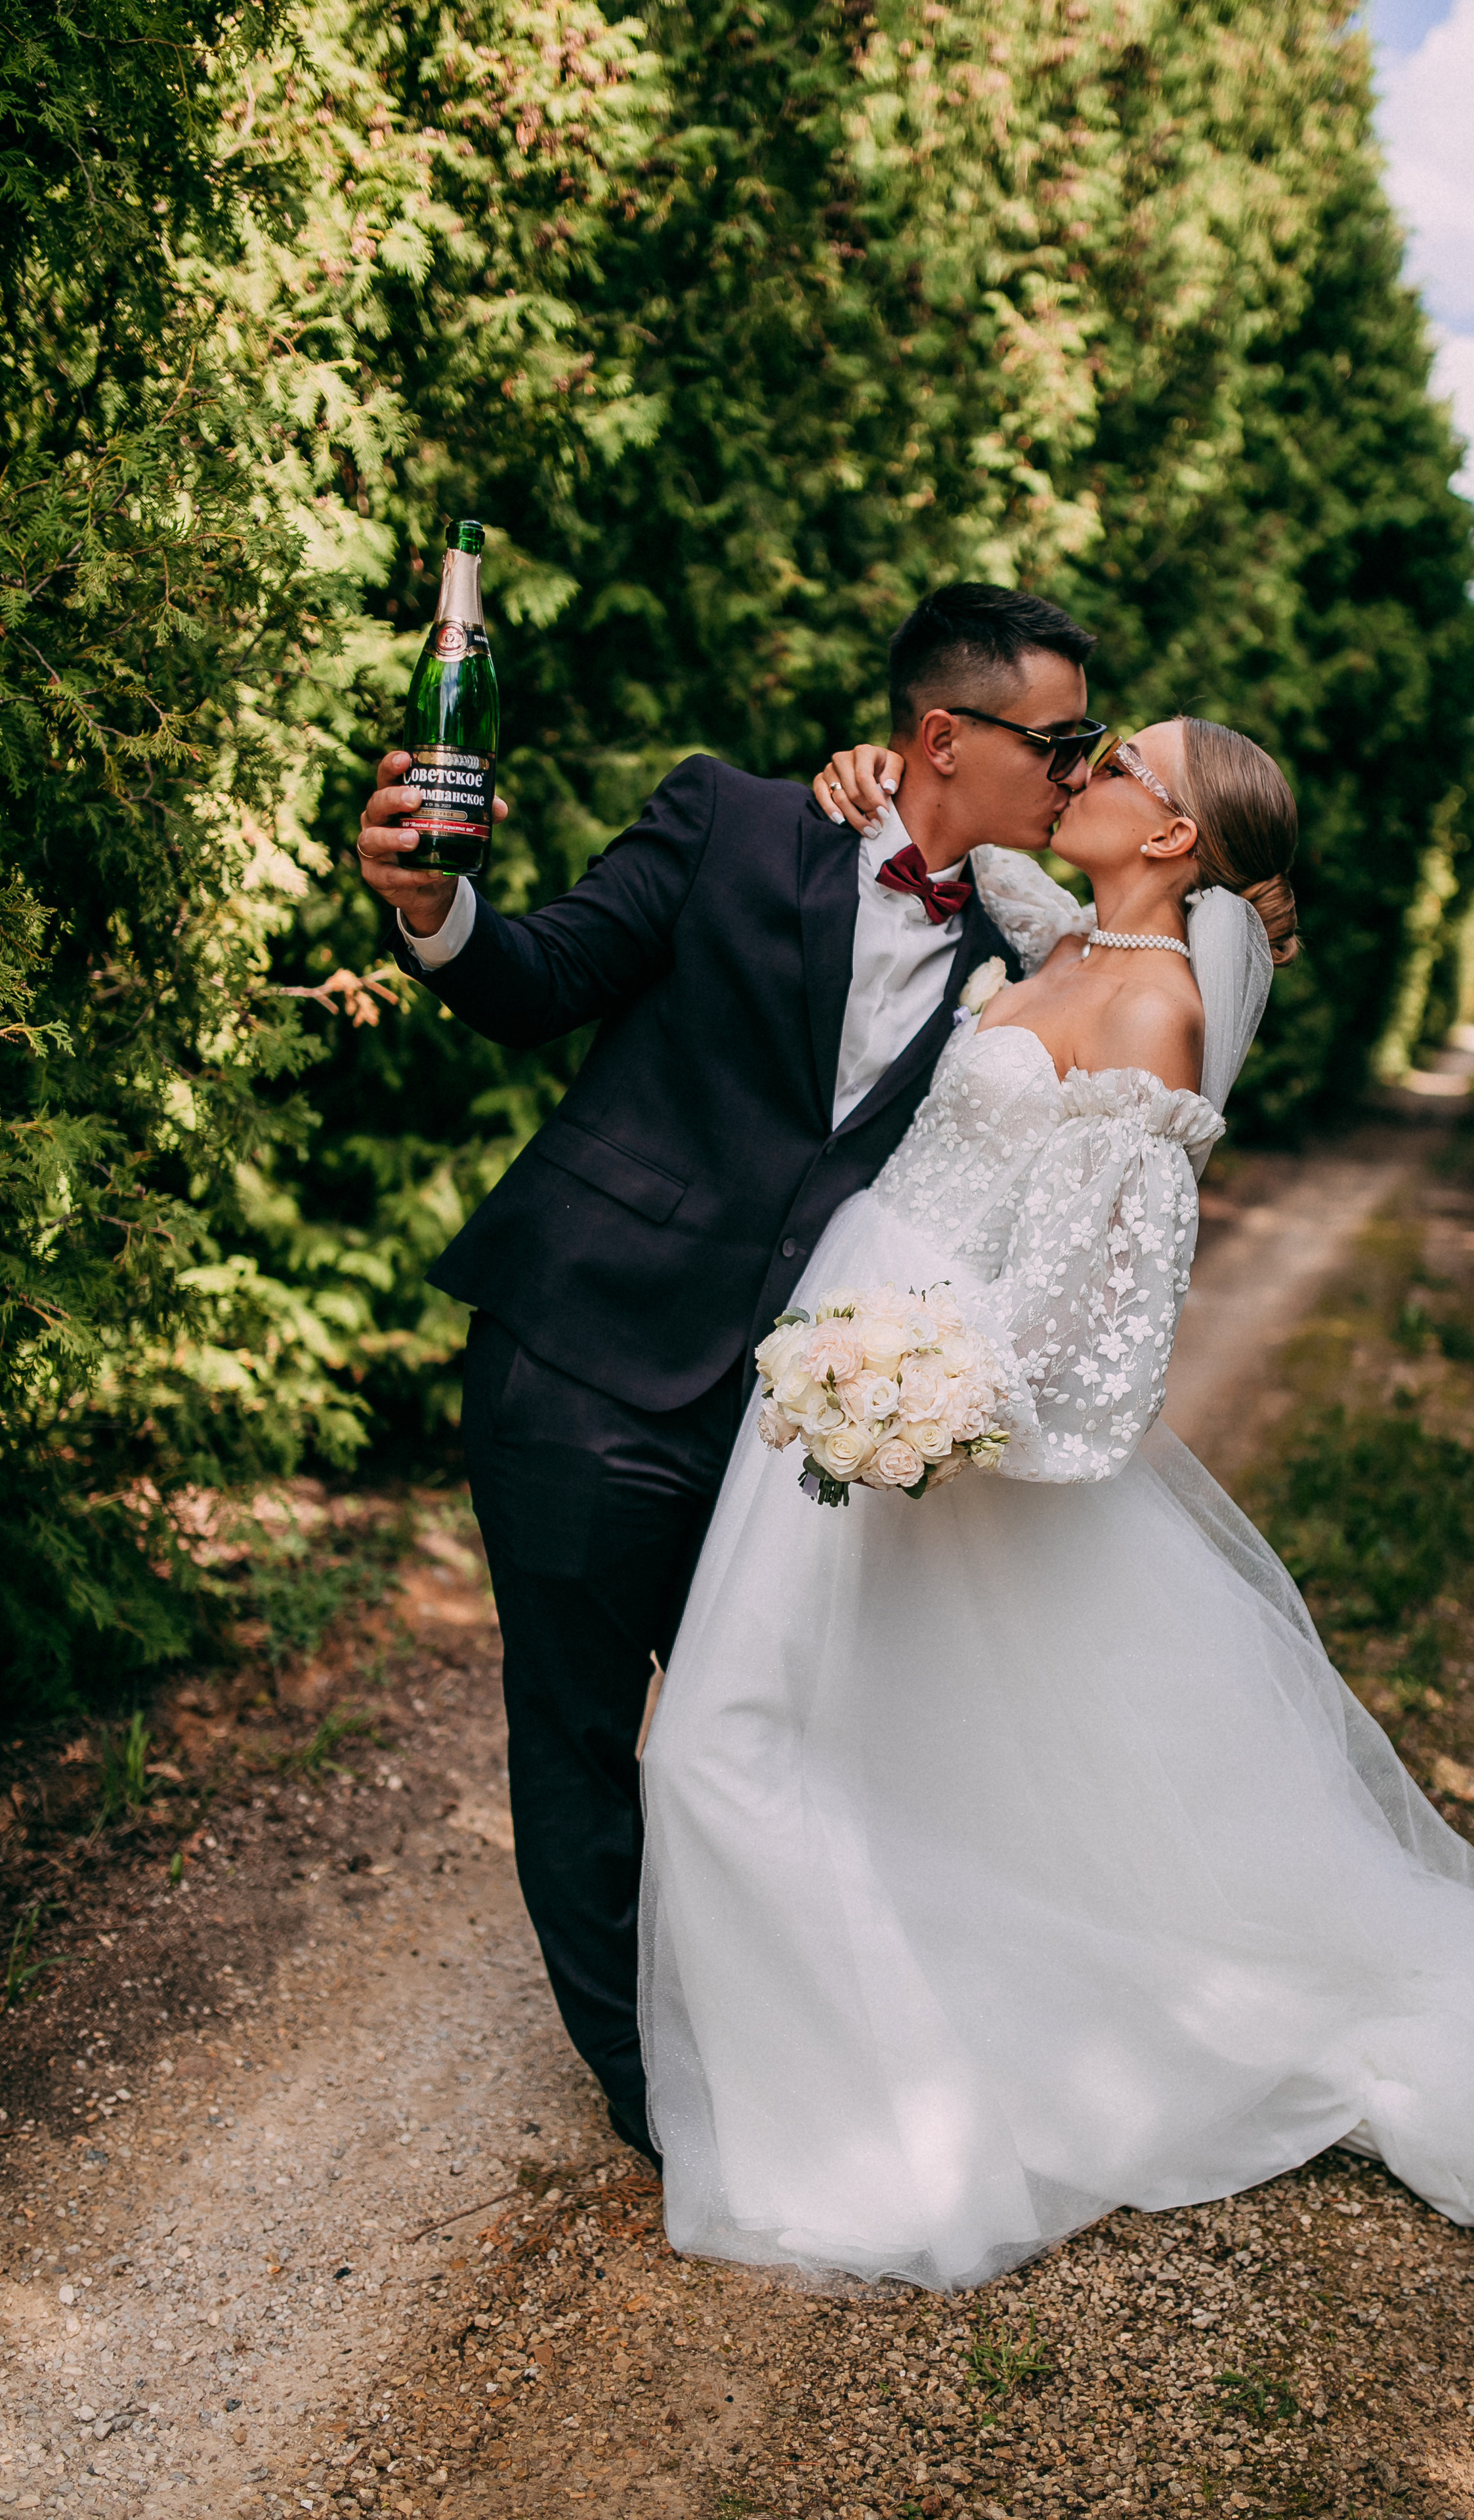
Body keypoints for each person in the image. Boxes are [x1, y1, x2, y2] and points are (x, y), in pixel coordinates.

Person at [639, 713, 1474, 2288]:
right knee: (816, 1737)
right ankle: (849, 2050)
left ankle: (864, 2139)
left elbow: (1096, 1313)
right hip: (845, 1347)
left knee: (732, 1732)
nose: (1089, 767)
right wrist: (865, 769)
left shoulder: (1156, 1007)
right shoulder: (1058, 930)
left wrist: (917, 1399)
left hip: (896, 1390)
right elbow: (932, 823)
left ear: (1174, 835)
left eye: (1119, 757)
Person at [352, 582, 1113, 2166]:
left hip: (797, 1420)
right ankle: (661, 2106)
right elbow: (538, 979)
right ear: (939, 736)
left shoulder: (1033, 943)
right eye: (1057, 740)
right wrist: (430, 911)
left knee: (758, 1732)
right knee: (571, 1734)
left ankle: (778, 2035)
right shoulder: (731, 819)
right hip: (582, 1352)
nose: (1075, 771)